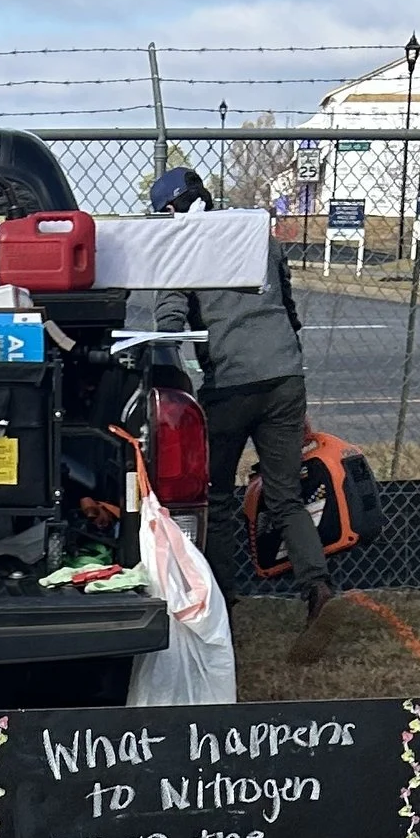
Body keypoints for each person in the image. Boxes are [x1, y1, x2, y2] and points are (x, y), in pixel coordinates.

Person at [144, 162, 334, 627]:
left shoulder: (181, 245)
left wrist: (164, 361)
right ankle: (317, 586)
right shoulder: (254, 234)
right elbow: (288, 309)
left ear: (170, 210)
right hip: (285, 378)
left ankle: (222, 603)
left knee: (215, 497)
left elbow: (169, 320)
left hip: (230, 384)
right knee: (285, 495)